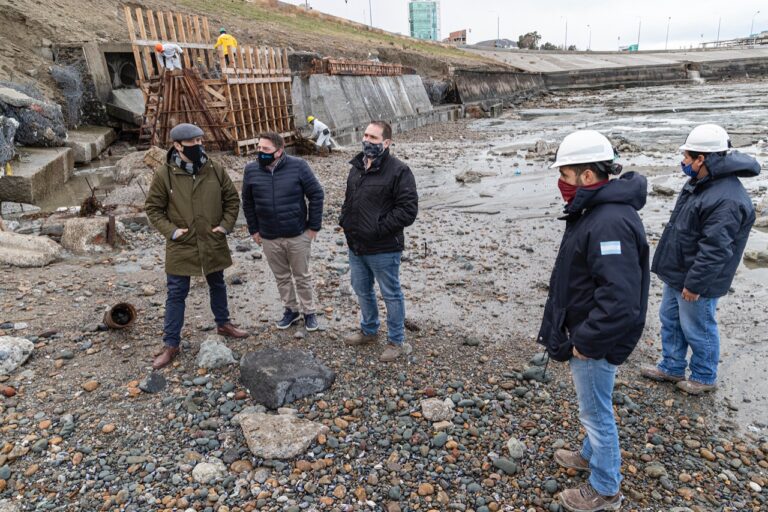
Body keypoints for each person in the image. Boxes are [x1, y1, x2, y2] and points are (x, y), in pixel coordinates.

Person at [537, 130, 649, 512]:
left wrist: (585, 341)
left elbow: (620, 301)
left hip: (593, 341)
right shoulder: (596, 210)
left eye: (564, 174)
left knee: (596, 412)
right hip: (589, 332)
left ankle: (605, 489)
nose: (560, 182)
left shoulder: (608, 221)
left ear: (587, 175)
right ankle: (590, 454)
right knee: (596, 404)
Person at [641, 124, 760, 394]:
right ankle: (671, 367)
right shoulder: (701, 182)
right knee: (670, 320)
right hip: (679, 271)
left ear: (701, 159)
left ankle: (704, 377)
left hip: (698, 280)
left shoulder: (727, 198)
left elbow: (716, 250)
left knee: (698, 327)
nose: (683, 161)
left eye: (686, 156)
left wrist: (695, 284)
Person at [145, 123, 249, 369]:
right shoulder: (164, 174)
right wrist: (172, 231)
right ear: (177, 145)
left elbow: (232, 199)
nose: (199, 146)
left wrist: (224, 226)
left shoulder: (214, 168)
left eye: (200, 141)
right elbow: (153, 208)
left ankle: (223, 324)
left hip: (212, 239)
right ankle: (171, 344)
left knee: (217, 283)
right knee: (176, 293)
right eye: (193, 142)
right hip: (182, 243)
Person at [341, 121, 418, 362]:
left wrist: (376, 229)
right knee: (362, 290)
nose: (367, 140)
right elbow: (349, 200)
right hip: (356, 246)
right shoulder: (357, 167)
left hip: (384, 248)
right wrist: (345, 222)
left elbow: (408, 211)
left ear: (386, 142)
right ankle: (369, 330)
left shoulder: (399, 171)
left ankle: (396, 341)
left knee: (391, 294)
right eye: (365, 135)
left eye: (373, 137)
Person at [242, 132, 325, 331]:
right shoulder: (251, 170)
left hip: (297, 234)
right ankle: (291, 310)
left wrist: (313, 227)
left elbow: (316, 194)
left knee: (302, 276)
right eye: (259, 148)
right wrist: (254, 230)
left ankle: (309, 312)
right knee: (282, 277)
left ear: (279, 151)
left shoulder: (298, 166)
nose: (260, 152)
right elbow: (247, 202)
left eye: (266, 149)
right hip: (269, 236)